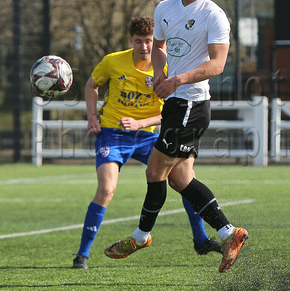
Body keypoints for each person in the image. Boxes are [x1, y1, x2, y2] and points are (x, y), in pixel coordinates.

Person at [104, 0, 249, 273]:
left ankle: (141, 237)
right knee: (181, 178)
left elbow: (217, 64)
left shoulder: (213, 16)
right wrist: (159, 75)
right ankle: (230, 233)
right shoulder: (165, 8)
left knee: (155, 170)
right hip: (175, 103)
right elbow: (158, 48)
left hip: (192, 105)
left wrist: (178, 79)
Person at [72, 16, 222, 269]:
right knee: (106, 189)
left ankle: (201, 239)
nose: (144, 46)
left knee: (184, 180)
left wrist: (141, 123)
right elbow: (91, 85)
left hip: (148, 135)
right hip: (112, 133)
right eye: (139, 41)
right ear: (130, 40)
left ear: (157, 42)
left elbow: (168, 110)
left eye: (149, 41)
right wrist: (91, 118)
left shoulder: (166, 67)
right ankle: (82, 255)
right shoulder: (112, 61)